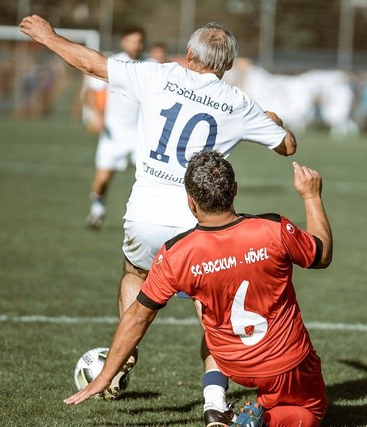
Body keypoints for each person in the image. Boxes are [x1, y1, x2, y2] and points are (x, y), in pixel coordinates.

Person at [20, 14, 296, 425]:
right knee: (212, 312)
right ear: (229, 64)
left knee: (134, 272)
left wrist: (49, 37)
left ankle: (125, 351)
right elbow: (287, 146)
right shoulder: (239, 103)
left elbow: (92, 63)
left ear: (189, 54)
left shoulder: (159, 76)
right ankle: (215, 405)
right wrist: (272, 122)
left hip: (144, 216)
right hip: (198, 222)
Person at [64, 151, 332, 427]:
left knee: (265, 388)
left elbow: (137, 316)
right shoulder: (272, 229)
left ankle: (239, 407)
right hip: (288, 362)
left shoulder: (175, 254)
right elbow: (322, 256)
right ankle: (259, 421)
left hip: (233, 365)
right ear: (235, 190)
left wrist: (106, 376)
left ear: (191, 202)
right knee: (312, 409)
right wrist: (311, 196)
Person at [82, 25, 151, 229]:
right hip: (114, 132)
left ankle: (144, 219)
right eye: (132, 41)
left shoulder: (151, 65)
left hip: (141, 135)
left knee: (149, 177)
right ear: (123, 42)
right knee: (102, 179)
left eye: (139, 41)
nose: (136, 45)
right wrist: (96, 115)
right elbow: (90, 92)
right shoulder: (113, 64)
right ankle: (97, 211)